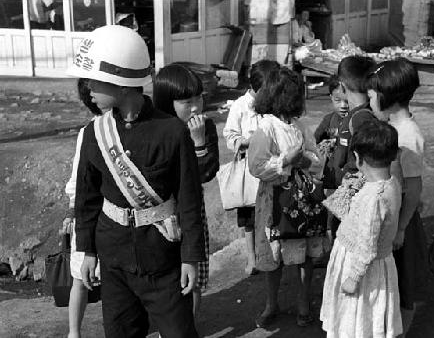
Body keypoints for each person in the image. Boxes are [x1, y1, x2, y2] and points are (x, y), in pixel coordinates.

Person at [67, 25, 204, 338]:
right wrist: (86, 250)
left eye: (94, 80)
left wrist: (191, 258)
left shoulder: (171, 132)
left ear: (122, 83)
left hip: (163, 260)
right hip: (113, 258)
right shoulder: (94, 134)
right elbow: (86, 200)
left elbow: (189, 199)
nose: (87, 87)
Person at [248, 67, 329, 328]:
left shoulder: (299, 126)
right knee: (274, 256)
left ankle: (303, 301)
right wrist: (285, 160)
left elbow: (316, 161)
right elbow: (257, 167)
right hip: (274, 204)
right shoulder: (266, 128)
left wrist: (304, 160)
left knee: (303, 253)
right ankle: (272, 303)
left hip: (302, 201)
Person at [320, 119, 402, 338]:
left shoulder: (373, 198)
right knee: (368, 321)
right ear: (394, 155)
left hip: (360, 268)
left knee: (354, 323)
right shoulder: (391, 184)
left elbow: (366, 245)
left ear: (356, 158)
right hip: (379, 264)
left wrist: (353, 278)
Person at [366, 58, 428, 337]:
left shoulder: (408, 137)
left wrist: (402, 227)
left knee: (404, 283)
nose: (369, 101)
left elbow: (413, 189)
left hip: (401, 221)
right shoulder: (394, 129)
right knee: (390, 280)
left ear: (387, 97)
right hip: (391, 217)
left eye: (371, 96)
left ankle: (400, 332)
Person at [153, 63, 219, 319]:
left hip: (191, 210)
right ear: (168, 102)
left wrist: (199, 142)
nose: (195, 107)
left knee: (192, 277)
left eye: (198, 99)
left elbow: (205, 174)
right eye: (186, 101)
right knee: (166, 276)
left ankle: (187, 327)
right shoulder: (158, 129)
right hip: (161, 212)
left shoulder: (205, 127)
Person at [223, 59, 280, 275]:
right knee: (249, 218)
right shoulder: (240, 106)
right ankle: (252, 258)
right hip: (248, 172)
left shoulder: (274, 105)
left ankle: (270, 253)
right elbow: (229, 133)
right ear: (255, 88)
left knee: (270, 214)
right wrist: (242, 142)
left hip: (270, 169)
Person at [62, 78, 103, 338]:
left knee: (113, 280)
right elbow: (79, 177)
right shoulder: (89, 132)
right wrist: (71, 211)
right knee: (80, 277)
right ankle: (73, 333)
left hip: (114, 214)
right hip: (89, 213)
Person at [329, 55, 379, 189]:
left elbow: (366, 159)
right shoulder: (359, 113)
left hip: (351, 189)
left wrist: (346, 178)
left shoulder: (361, 118)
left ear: (342, 86)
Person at [314, 75, 349, 240]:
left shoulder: (355, 120)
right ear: (331, 98)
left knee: (346, 219)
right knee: (330, 216)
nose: (343, 105)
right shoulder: (328, 120)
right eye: (338, 100)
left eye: (347, 101)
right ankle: (329, 250)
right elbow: (314, 141)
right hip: (331, 179)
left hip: (349, 179)